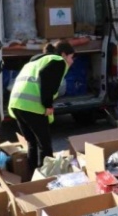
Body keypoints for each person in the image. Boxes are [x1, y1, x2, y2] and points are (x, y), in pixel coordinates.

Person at [8, 41, 75, 179]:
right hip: (31, 106)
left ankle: (32, 178)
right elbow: (46, 80)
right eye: (71, 57)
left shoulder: (35, 61)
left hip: (17, 104)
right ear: (63, 54)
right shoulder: (58, 61)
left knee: (32, 143)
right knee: (45, 145)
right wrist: (48, 105)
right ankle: (47, 179)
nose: (72, 61)